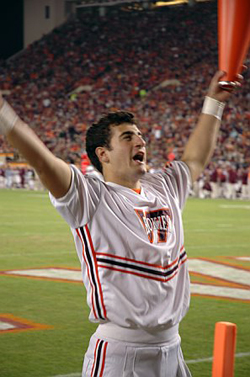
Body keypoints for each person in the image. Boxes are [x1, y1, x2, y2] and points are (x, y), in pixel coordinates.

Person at [0, 71, 243, 377]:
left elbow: (195, 158)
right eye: (127, 137)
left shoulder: (164, 186)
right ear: (103, 154)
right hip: (121, 356)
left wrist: (214, 103)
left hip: (173, 348)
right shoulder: (90, 197)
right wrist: (3, 114)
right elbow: (44, 162)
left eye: (140, 135)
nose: (141, 140)